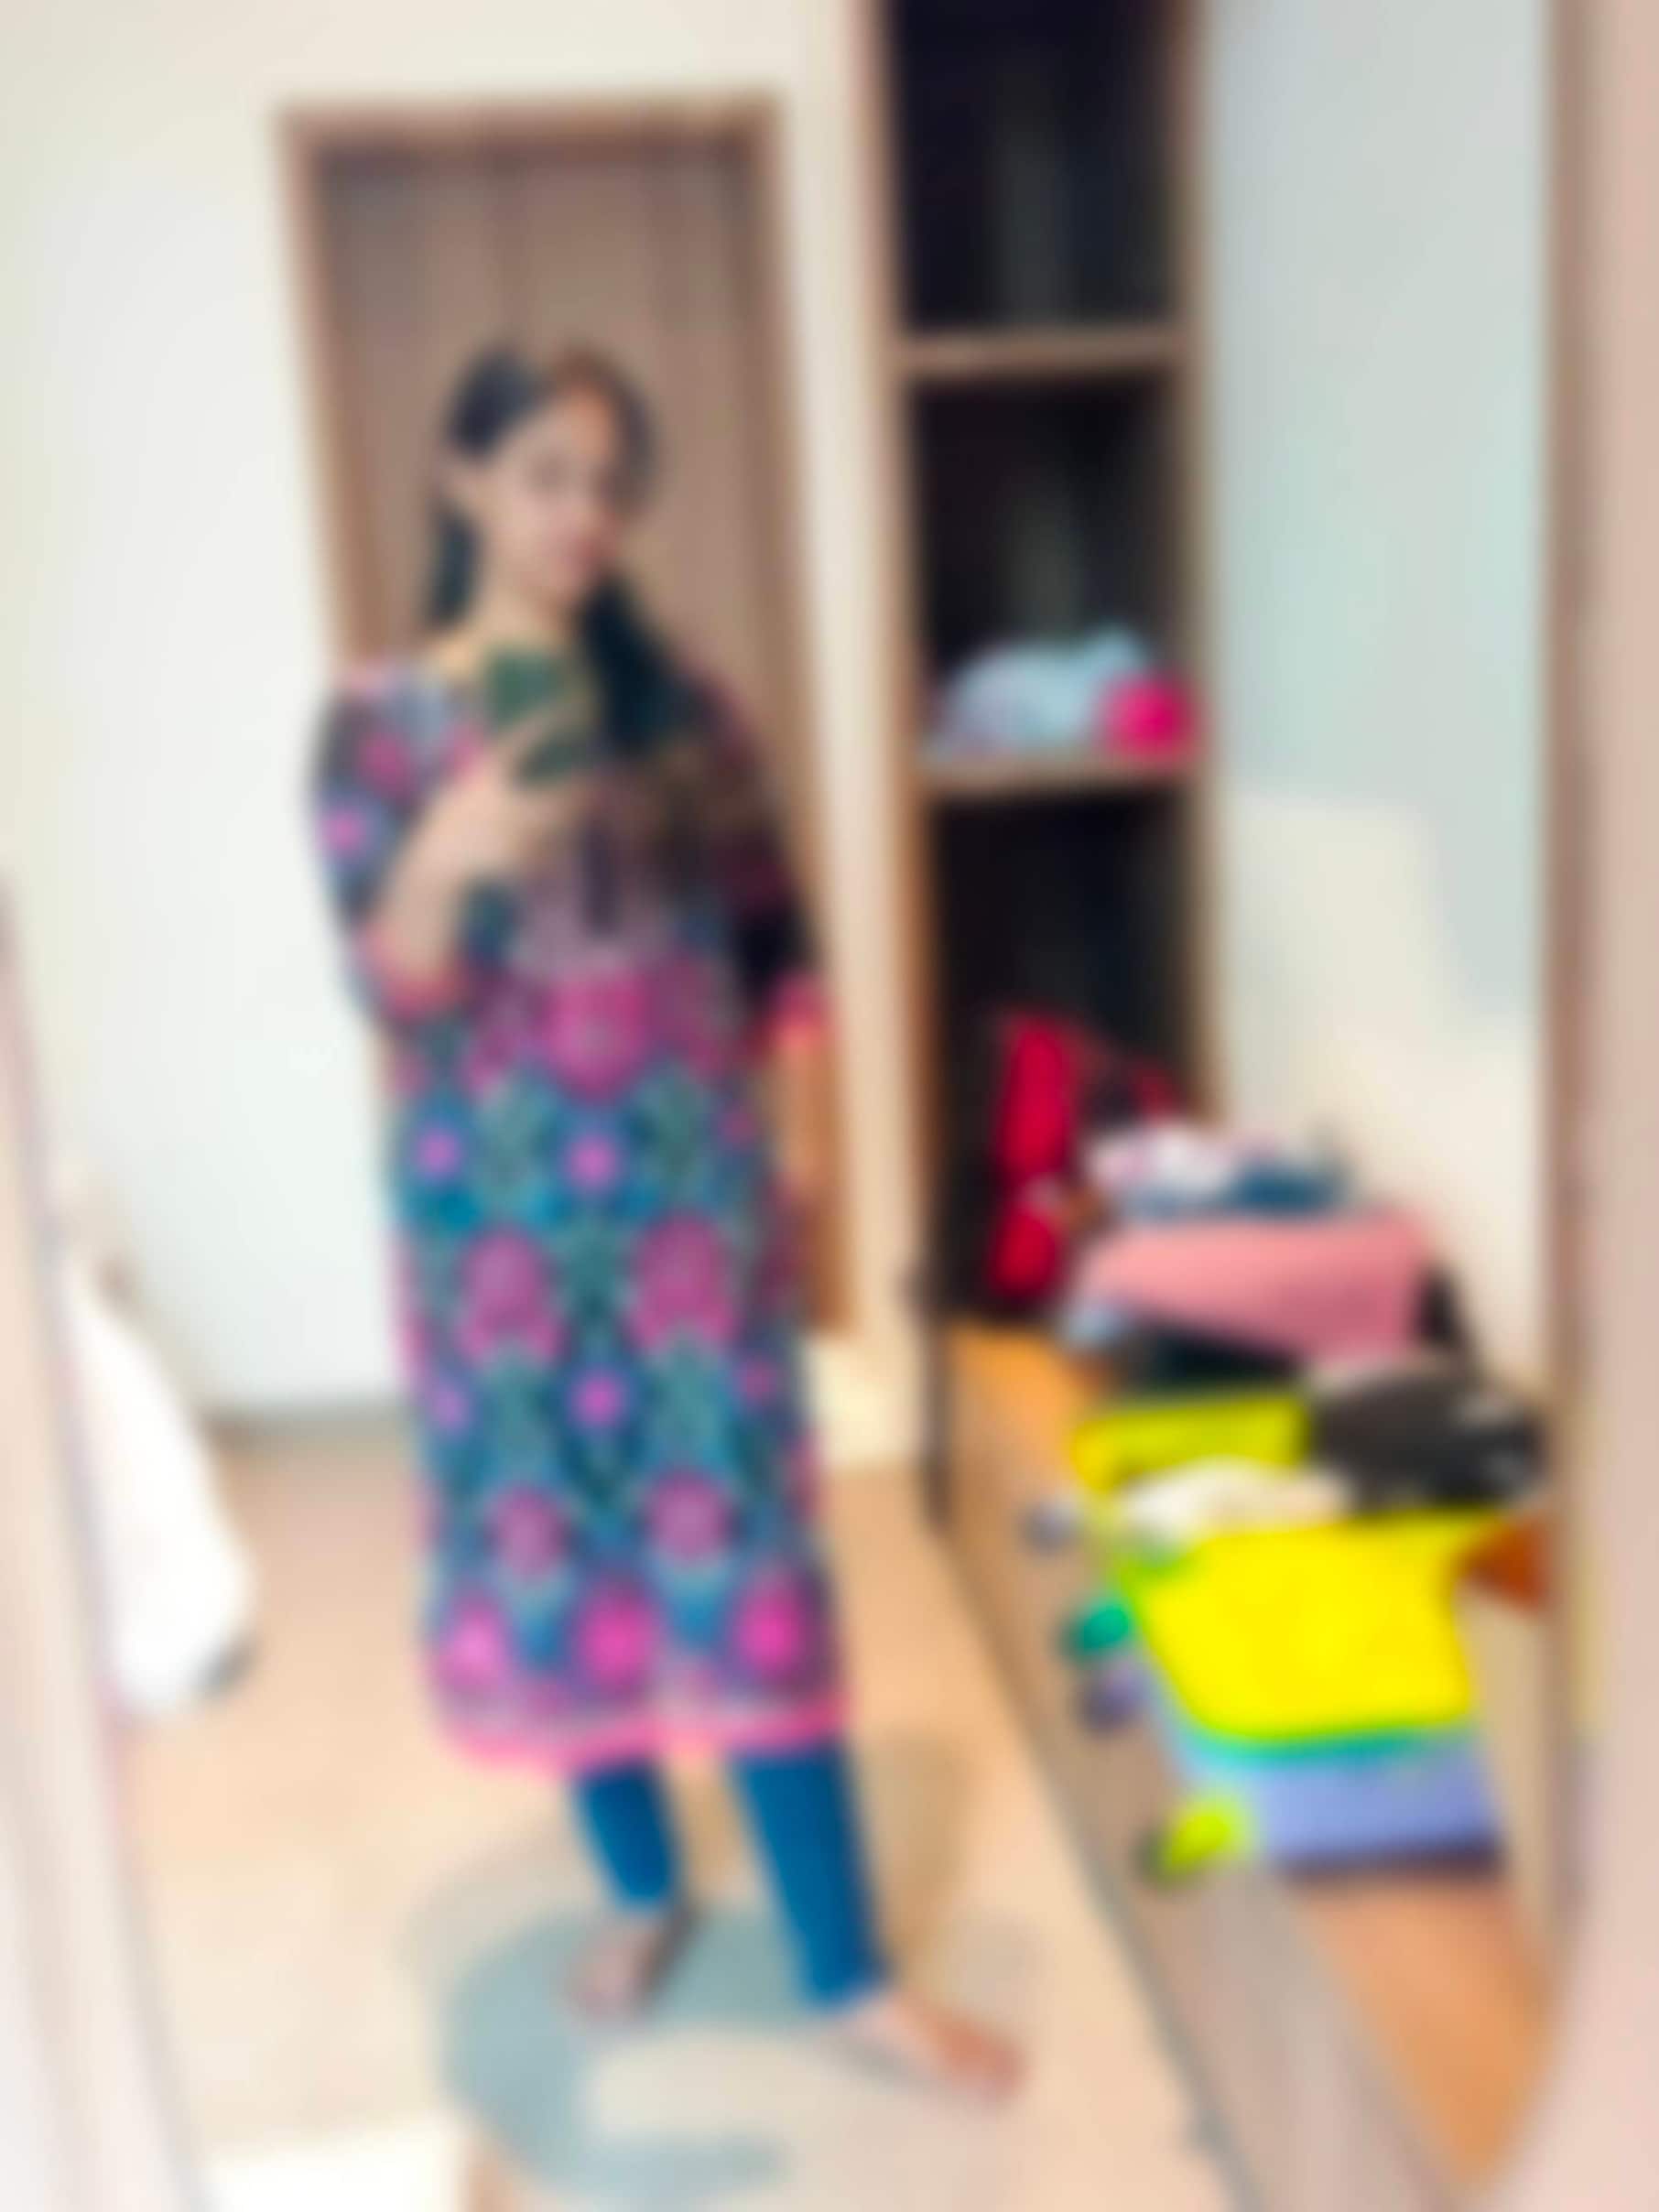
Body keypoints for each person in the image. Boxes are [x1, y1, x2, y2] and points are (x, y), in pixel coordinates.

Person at [311, 343, 1020, 2099]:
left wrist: (805, 1148)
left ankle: (849, 1974)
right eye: (544, 476)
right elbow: (391, 990)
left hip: (693, 1219)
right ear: (462, 480)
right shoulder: (377, 727)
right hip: (497, 1239)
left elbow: (781, 947)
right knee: (561, 1563)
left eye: (610, 485)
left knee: (751, 1570)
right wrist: (441, 857)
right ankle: (640, 1893)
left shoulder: (688, 706)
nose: (583, 517)